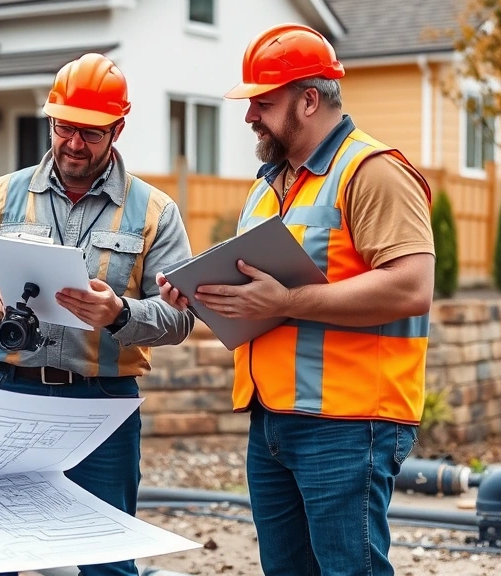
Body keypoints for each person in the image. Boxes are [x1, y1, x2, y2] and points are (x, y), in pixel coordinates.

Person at [157, 23, 435, 576]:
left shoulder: (372, 171)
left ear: (309, 99)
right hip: (272, 418)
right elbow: (262, 297)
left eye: (263, 101)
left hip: (348, 422)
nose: (248, 115)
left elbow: (411, 286)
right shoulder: (267, 186)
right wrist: (202, 291)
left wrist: (287, 299)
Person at [0, 53, 195, 576]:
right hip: (10, 389)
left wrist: (119, 313)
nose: (74, 144)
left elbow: (180, 318)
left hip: (102, 403)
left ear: (117, 129)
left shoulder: (156, 213)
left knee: (105, 558)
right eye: (64, 128)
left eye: (91, 133)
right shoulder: (2, 195)